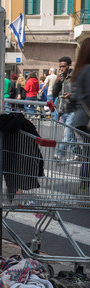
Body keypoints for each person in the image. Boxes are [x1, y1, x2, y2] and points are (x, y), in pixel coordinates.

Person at [52, 56, 82, 160]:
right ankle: (79, 154)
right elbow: (54, 94)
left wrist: (71, 95)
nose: (61, 69)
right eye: (60, 67)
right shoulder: (60, 78)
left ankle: (60, 153)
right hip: (63, 110)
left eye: (63, 67)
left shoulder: (75, 77)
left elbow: (81, 93)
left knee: (67, 134)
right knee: (70, 135)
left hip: (73, 110)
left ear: (69, 66)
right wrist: (56, 83)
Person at [71, 37, 90, 192]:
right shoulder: (88, 70)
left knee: (88, 154)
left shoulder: (79, 71)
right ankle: (85, 189)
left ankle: (84, 189)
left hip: (80, 119)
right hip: (87, 119)